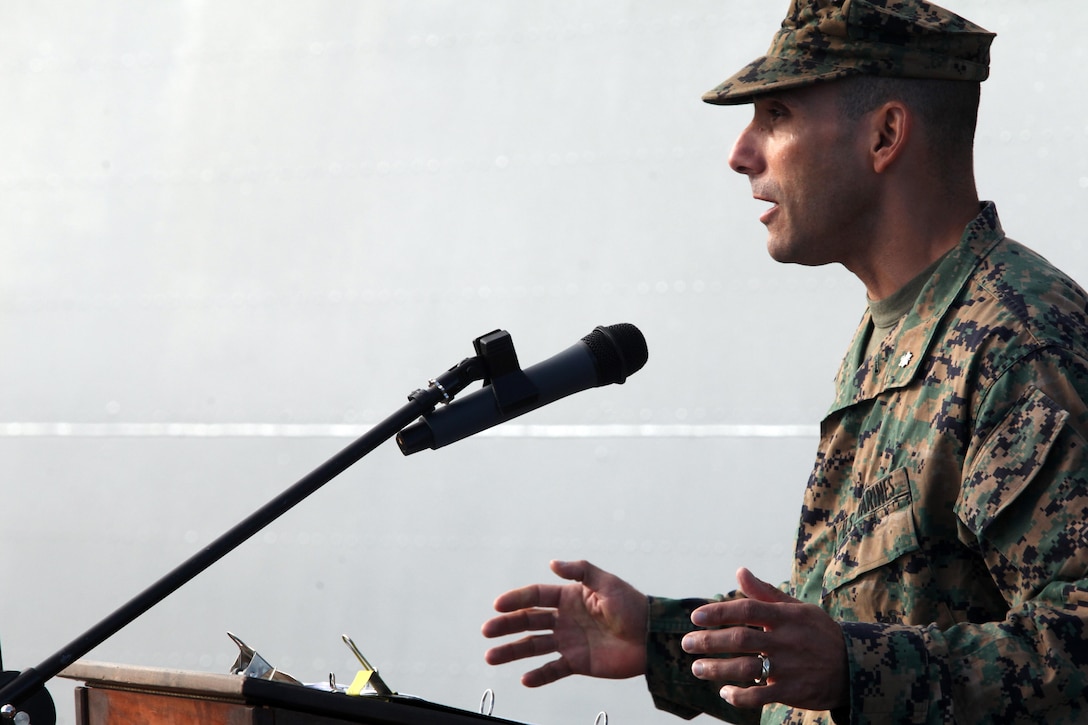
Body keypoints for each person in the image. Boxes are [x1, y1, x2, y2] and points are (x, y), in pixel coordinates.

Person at [480, 1, 1088, 723]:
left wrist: (853, 667)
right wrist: (662, 637)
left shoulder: (1021, 342)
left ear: (886, 134)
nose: (742, 152)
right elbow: (852, 639)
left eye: (776, 115)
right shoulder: (897, 329)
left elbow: (1075, 650)